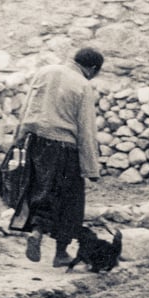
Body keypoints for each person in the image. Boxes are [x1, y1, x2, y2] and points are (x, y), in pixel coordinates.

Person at [10, 47, 104, 267]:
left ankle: (37, 231)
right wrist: (91, 168)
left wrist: (18, 138)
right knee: (71, 201)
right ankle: (61, 254)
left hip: (35, 142)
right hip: (64, 148)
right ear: (91, 69)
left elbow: (27, 108)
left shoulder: (45, 72)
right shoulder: (83, 85)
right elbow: (86, 128)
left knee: (40, 191)